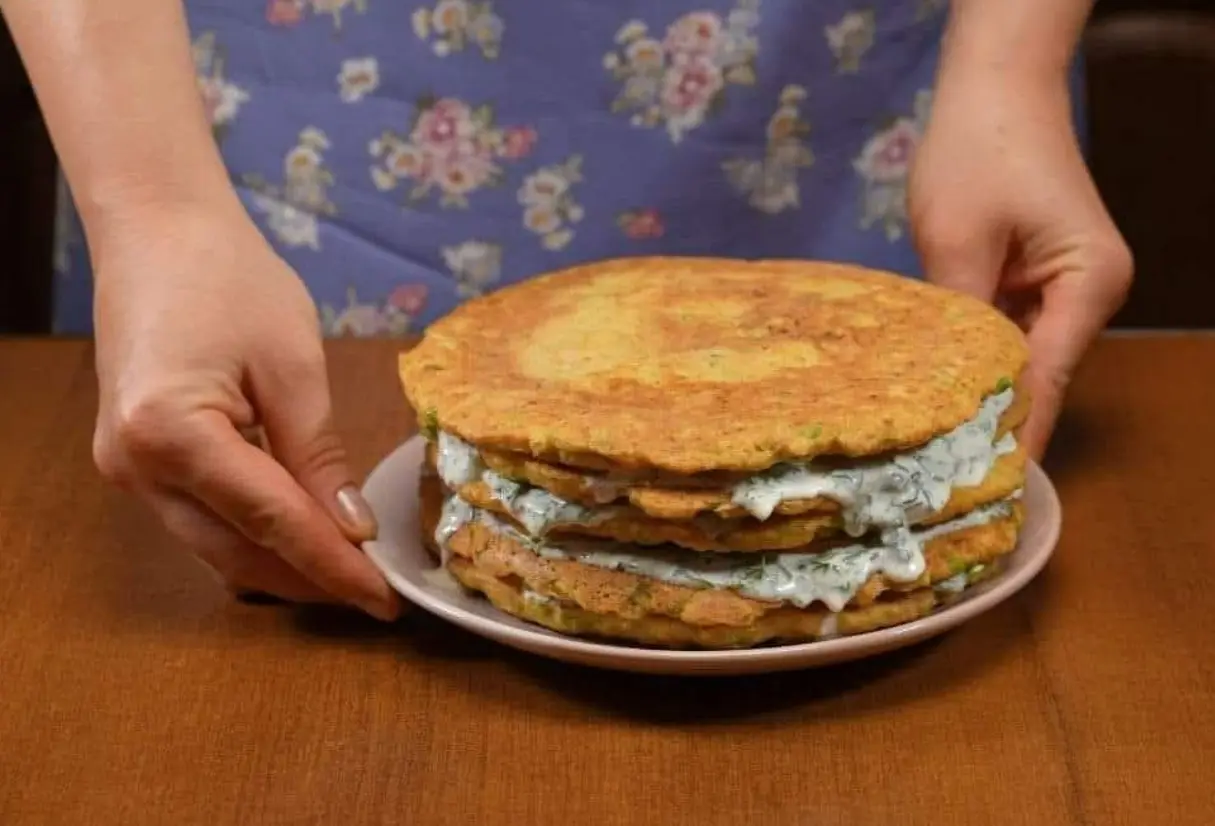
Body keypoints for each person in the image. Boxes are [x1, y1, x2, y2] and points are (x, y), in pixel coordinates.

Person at [2, 0, 1131, 620]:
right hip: (294, 114)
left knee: (899, 380)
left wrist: (1009, 66)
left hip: (878, 112)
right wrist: (154, 206)